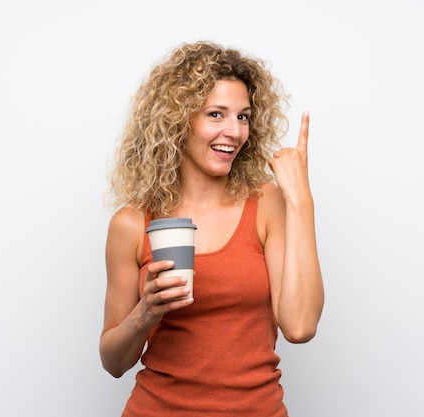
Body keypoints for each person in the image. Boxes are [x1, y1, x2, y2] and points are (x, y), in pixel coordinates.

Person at [99, 40, 324, 416]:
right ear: (177, 118)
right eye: (216, 114)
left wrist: (301, 200)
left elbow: (299, 327)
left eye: (243, 117)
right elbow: (113, 362)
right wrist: (146, 313)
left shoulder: (266, 204)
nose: (234, 132)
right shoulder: (131, 223)